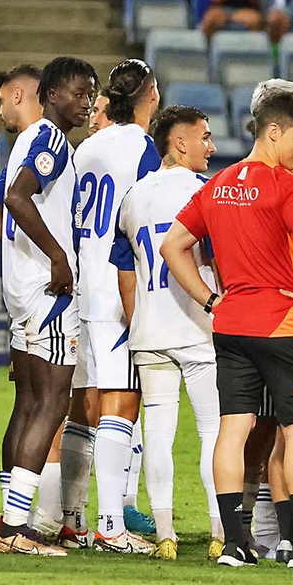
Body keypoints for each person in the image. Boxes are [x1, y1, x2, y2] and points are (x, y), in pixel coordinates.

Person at [158, 91, 293, 569]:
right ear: (273, 131)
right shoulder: (286, 185)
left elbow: (173, 246)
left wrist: (210, 299)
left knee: (232, 429)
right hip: (283, 325)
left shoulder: (216, 184)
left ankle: (235, 543)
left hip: (231, 324)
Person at [0, 57, 97, 555]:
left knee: (30, 402)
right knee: (53, 403)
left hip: (22, 287)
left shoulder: (24, 143)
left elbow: (2, 203)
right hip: (48, 291)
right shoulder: (50, 140)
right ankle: (17, 527)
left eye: (91, 93)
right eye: (78, 92)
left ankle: (9, 519)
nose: (87, 102)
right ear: (50, 94)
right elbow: (16, 199)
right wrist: (59, 256)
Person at [112, 105, 224, 557]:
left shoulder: (134, 196)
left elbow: (125, 270)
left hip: (150, 329)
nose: (212, 147)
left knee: (156, 432)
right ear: (180, 143)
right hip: (200, 326)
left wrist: (140, 319)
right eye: (205, 137)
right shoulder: (205, 191)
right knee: (213, 431)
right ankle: (220, 531)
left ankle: (164, 534)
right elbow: (219, 259)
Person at [71, 60, 162, 552]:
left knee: (86, 403)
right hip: (120, 285)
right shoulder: (143, 147)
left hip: (84, 286)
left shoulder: (88, 146)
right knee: (122, 403)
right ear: (151, 94)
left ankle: (72, 516)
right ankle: (110, 525)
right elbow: (142, 220)